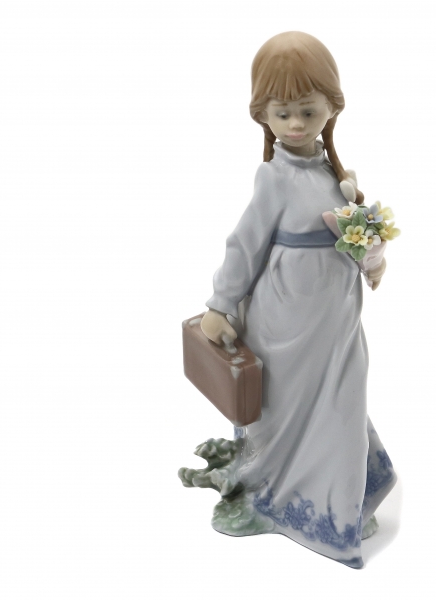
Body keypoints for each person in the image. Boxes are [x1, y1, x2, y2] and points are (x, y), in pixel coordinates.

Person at [180, 31, 396, 569]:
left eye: (307, 110)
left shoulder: (332, 174)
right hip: (284, 324)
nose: (296, 124)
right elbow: (244, 244)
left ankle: (339, 504)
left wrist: (370, 252)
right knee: (284, 414)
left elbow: (353, 236)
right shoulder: (272, 178)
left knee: (341, 407)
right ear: (264, 115)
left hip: (336, 323)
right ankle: (279, 497)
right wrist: (221, 304)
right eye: (283, 113)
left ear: (331, 107)